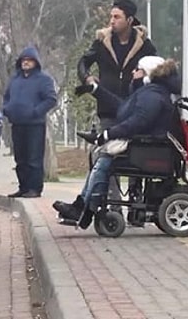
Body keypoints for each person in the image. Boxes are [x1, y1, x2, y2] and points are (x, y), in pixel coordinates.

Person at [54, 56, 180, 227]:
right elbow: (123, 108)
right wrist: (96, 90)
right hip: (145, 147)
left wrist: (107, 135)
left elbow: (137, 122)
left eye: (137, 69)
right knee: (102, 159)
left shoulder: (152, 95)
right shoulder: (149, 93)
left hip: (148, 150)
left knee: (105, 161)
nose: (133, 72)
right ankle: (83, 208)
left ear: (148, 73)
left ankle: (83, 208)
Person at [77, 0, 157, 205]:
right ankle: (111, 202)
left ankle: (135, 196)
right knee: (107, 153)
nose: (111, 21)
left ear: (129, 20)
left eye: (117, 17)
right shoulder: (102, 42)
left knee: (136, 155)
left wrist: (144, 78)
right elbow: (83, 62)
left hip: (135, 107)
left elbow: (156, 69)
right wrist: (87, 78)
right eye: (111, 16)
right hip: (108, 107)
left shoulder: (144, 45)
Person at [3, 46, 57, 198]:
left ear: (35, 62)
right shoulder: (14, 79)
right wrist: (7, 109)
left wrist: (35, 112)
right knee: (20, 158)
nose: (25, 63)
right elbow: (6, 97)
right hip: (17, 124)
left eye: (29, 60)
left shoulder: (44, 79)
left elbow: (51, 99)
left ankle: (34, 189)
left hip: (35, 126)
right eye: (23, 60)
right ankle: (23, 187)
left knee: (34, 158)